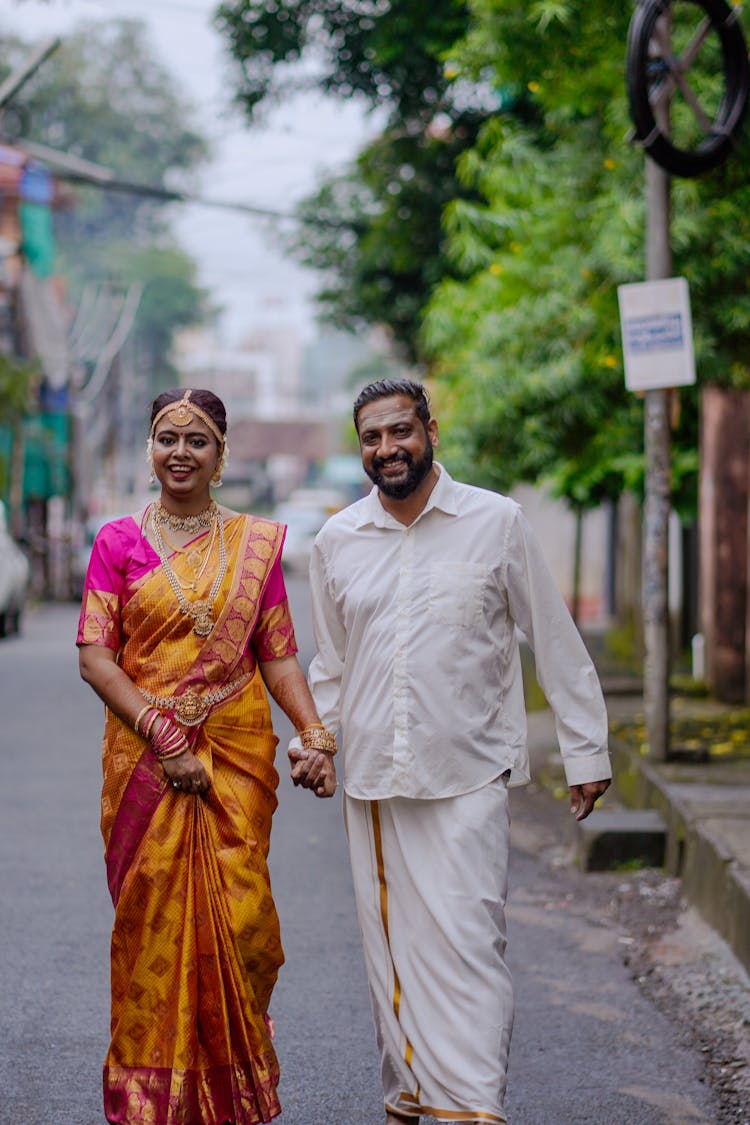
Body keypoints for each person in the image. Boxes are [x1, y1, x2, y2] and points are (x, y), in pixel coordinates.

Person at [292, 378, 611, 1125]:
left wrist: (586, 749)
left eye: (400, 431)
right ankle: (415, 1095)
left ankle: (471, 1107)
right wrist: (318, 739)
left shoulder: (495, 522)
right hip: (373, 781)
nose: (387, 449)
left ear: (430, 429)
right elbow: (333, 666)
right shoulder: (338, 541)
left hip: (469, 770)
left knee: (470, 940)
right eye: (371, 437)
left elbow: (553, 636)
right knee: (394, 952)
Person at [77, 388, 336, 1125]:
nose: (180, 452)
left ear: (221, 456)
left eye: (197, 440)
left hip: (234, 759)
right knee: (149, 926)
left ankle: (231, 1082)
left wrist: (314, 732)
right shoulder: (117, 542)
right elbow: (98, 658)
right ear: (150, 449)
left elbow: (280, 658)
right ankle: (149, 1097)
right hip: (146, 765)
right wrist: (163, 736)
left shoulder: (255, 547)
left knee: (248, 926)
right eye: (167, 437)